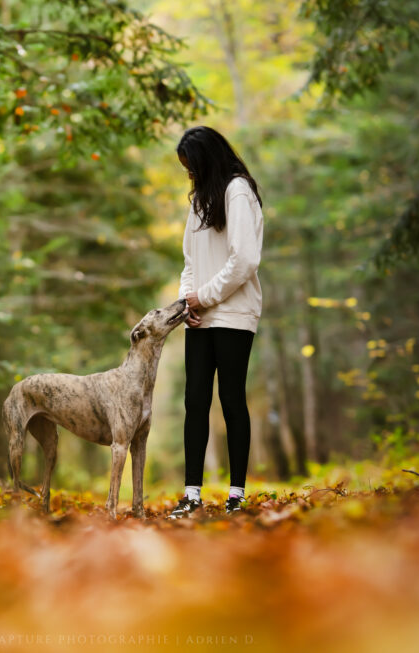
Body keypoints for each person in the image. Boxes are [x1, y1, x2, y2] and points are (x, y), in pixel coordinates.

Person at [167, 126, 264, 519]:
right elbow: (190, 262)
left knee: (232, 401)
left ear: (207, 159)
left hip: (234, 315)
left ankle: (236, 494)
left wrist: (203, 297)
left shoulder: (237, 191)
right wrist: (184, 301)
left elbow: (244, 261)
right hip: (200, 317)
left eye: (191, 166)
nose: (189, 174)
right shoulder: (199, 202)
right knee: (195, 402)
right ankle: (192, 494)